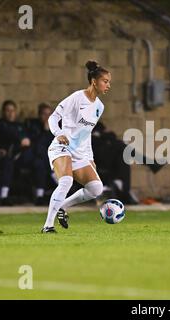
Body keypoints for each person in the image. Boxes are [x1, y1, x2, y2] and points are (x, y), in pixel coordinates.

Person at [42, 60, 110, 233]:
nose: (108, 85)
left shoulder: (99, 107)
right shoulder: (77, 97)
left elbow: (86, 134)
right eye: (105, 81)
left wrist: (90, 158)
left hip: (79, 152)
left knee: (96, 188)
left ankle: (62, 207)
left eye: (109, 82)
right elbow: (53, 118)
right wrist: (59, 134)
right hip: (61, 147)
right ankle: (48, 226)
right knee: (66, 181)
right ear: (94, 81)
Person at [0, 100, 31, 205]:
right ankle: (3, 196)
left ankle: (39, 195)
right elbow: (8, 135)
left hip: (20, 156)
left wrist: (25, 140)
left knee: (37, 160)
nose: (10, 113)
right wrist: (20, 139)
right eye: (8, 111)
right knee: (8, 161)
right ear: (3, 112)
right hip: (3, 157)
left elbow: (27, 139)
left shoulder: (20, 126)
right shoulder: (0, 124)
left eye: (12, 111)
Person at [27, 102, 56, 205]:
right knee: (40, 163)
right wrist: (45, 130)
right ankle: (39, 196)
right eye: (44, 114)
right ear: (39, 115)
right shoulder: (34, 127)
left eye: (49, 114)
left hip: (52, 158)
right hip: (38, 157)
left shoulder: (55, 128)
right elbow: (37, 145)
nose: (47, 117)